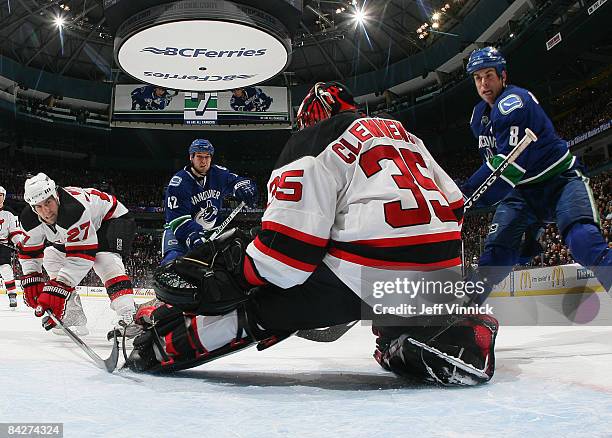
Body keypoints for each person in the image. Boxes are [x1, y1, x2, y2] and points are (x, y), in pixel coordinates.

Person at [128, 81, 499, 386]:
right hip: (439, 276)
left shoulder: (312, 140)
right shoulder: (406, 135)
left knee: (260, 296)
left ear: (311, 117)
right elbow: (456, 207)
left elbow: (285, 257)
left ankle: (161, 344)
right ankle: (445, 332)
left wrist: (233, 278)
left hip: (358, 277)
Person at [461, 47, 611, 296]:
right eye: (478, 77)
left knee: (583, 240)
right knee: (494, 256)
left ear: (502, 76)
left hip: (560, 181)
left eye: (489, 75)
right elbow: (495, 164)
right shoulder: (478, 117)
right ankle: (465, 312)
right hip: (520, 194)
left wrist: (465, 194)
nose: (484, 83)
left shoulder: (514, 103)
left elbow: (508, 168)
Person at [18, 173, 139, 336]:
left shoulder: (73, 210)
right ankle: (73, 314)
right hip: (85, 229)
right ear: (32, 208)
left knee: (104, 259)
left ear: (56, 195)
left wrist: (59, 288)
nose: (46, 211)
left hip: (112, 219)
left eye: (48, 202)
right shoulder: (28, 219)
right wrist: (32, 277)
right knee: (51, 256)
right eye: (39, 206)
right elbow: (29, 252)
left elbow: (83, 255)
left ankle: (128, 314)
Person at [161, 139, 259, 265]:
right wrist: (195, 237)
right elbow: (178, 220)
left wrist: (245, 188)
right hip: (178, 232)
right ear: (191, 157)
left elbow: (238, 181)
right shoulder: (179, 183)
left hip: (211, 232)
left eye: (207, 157)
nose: (204, 161)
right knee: (172, 265)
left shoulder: (218, 174)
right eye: (199, 157)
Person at [0, 186, 24, 309]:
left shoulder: (9, 213)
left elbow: (15, 232)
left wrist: (19, 243)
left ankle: (12, 294)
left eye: (0, 195)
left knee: (5, 269)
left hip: (3, 246)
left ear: (4, 197)